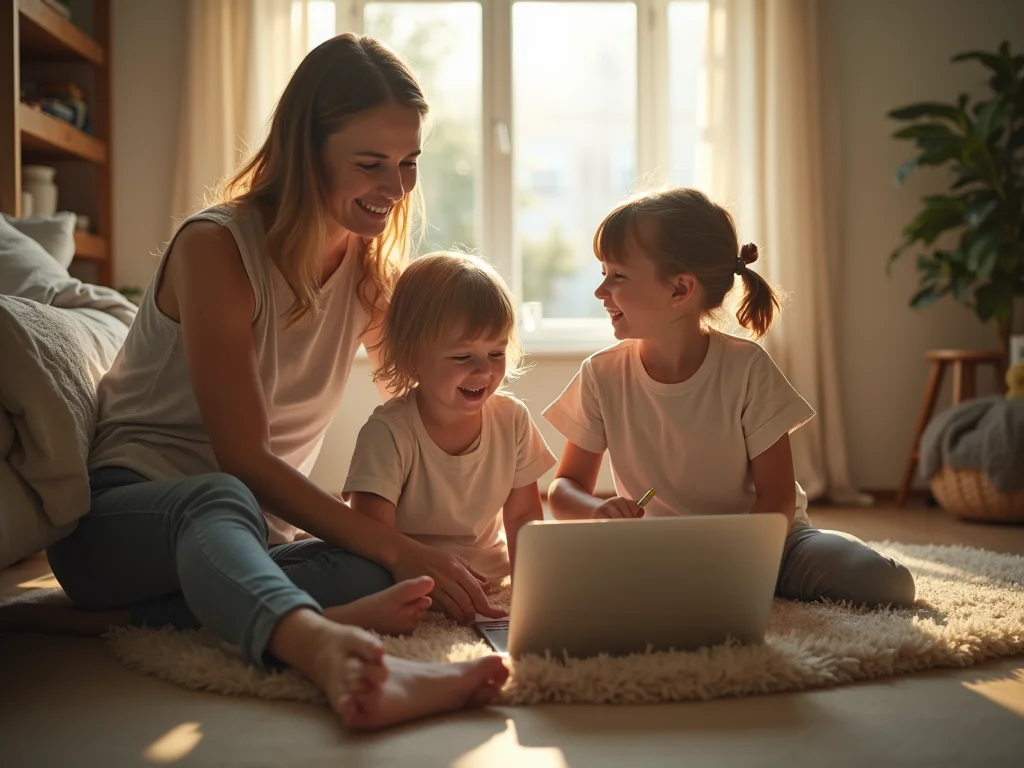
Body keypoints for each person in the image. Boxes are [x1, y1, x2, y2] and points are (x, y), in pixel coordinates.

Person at [39, 33, 509, 730]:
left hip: (252, 538)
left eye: (408, 163)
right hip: (125, 523)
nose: (395, 188)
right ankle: (325, 648)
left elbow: (424, 406)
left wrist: (472, 519)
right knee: (234, 501)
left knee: (393, 573)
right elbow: (243, 459)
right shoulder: (216, 248)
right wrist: (395, 542)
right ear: (305, 150)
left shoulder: (369, 270)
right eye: (371, 163)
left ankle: (129, 620)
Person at [543, 187, 916, 609]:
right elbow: (563, 488)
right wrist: (595, 510)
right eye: (603, 272)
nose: (600, 291)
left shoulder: (748, 369)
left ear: (680, 289)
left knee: (885, 585)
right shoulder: (600, 374)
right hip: (656, 552)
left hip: (770, 547)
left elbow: (776, 497)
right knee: (571, 587)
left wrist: (740, 568)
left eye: (618, 276)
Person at [344, 252, 556, 621]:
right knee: (343, 575)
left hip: (489, 578)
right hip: (409, 578)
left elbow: (523, 515)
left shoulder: (513, 419)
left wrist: (530, 587)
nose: (483, 370)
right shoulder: (389, 431)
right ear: (412, 358)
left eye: (496, 353)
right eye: (462, 357)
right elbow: (372, 532)